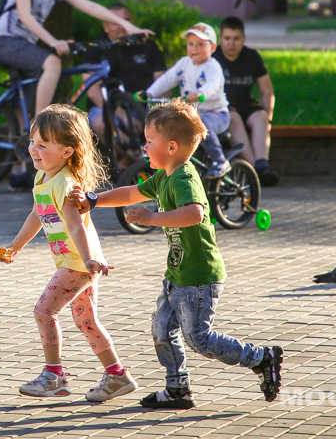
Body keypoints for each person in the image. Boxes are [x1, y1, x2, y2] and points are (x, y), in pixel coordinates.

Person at [72, 98, 283, 409]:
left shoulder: (184, 177)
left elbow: (195, 213)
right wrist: (93, 199)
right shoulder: (165, 175)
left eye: (149, 141)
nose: (144, 147)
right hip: (177, 274)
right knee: (162, 329)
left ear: (172, 147)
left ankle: (261, 357)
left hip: (200, 276)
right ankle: (177, 389)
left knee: (198, 338)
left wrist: (152, 218)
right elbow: (131, 192)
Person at [0, 104, 137, 402]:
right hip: (77, 262)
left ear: (67, 152)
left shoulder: (66, 184)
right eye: (33, 142)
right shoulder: (43, 177)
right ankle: (117, 375)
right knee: (86, 321)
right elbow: (37, 215)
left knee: (44, 311)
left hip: (79, 262)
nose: (34, 149)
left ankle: (54, 376)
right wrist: (15, 247)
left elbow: (76, 227)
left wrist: (88, 259)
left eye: (43, 145)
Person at [0, 0, 152, 190]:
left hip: (26, 46)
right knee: (53, 62)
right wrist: (53, 41)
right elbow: (24, 15)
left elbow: (90, 7)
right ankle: (40, 126)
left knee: (35, 87)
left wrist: (129, 28)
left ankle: (20, 163)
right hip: (5, 41)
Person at [144, 22, 231, 178]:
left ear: (213, 48)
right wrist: (149, 93)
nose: (194, 48)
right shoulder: (184, 63)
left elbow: (213, 84)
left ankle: (220, 160)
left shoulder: (213, 66)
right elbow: (167, 79)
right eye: (191, 44)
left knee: (202, 122)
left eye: (200, 44)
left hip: (216, 113)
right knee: (169, 124)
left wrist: (200, 93)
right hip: (192, 114)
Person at [82, 3, 166, 144]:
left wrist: (148, 113)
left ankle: (133, 162)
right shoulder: (96, 48)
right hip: (107, 108)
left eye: (126, 21)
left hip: (146, 105)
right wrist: (123, 116)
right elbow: (92, 91)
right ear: (105, 26)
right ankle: (132, 158)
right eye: (115, 22)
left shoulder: (147, 45)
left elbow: (164, 84)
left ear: (132, 23)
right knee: (101, 125)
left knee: (166, 123)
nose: (122, 26)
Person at [214, 17, 281, 186]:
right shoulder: (213, 58)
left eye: (236, 39)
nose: (231, 43)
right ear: (220, 38)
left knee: (261, 117)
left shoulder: (252, 57)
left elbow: (267, 91)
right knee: (233, 117)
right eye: (227, 38)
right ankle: (255, 172)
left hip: (246, 103)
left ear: (243, 38)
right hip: (224, 107)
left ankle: (261, 165)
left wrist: (269, 118)